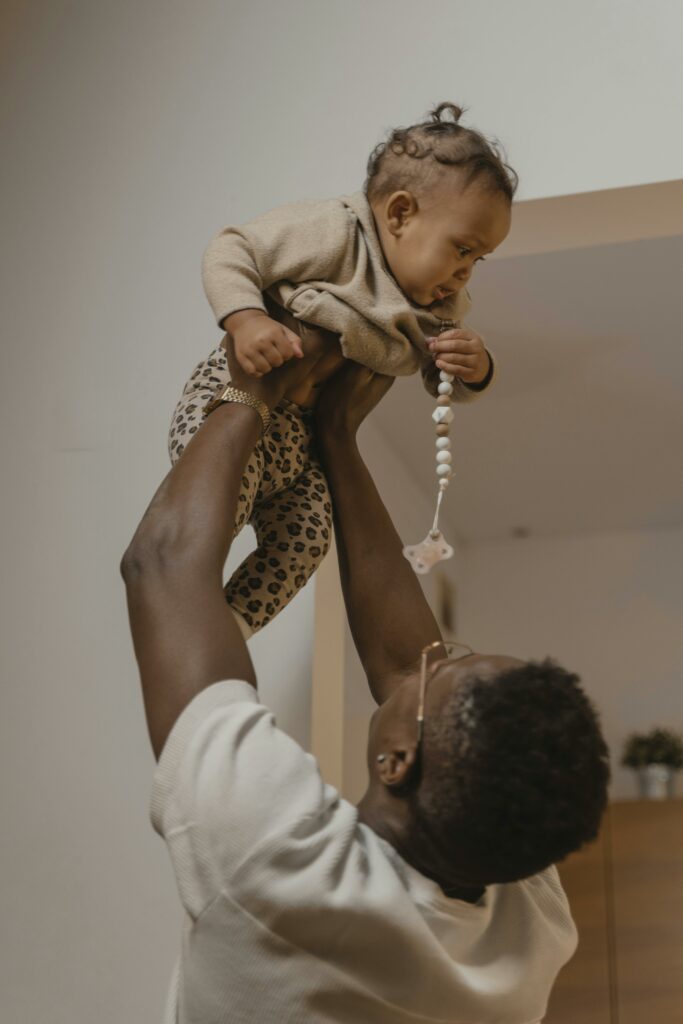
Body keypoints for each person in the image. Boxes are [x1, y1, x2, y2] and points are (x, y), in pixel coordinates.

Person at [122, 345, 610, 1024]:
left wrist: (248, 392)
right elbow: (407, 666)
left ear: (396, 760)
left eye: (436, 673)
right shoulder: (524, 915)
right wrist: (337, 439)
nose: (427, 656)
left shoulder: (279, 864)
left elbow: (163, 566)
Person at [167, 102, 515, 639]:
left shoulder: (440, 306)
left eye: (479, 259)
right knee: (217, 509)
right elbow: (234, 248)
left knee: (306, 539)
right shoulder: (334, 232)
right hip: (237, 402)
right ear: (399, 214)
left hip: (303, 446)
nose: (465, 272)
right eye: (462, 248)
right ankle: (181, 597)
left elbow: (439, 377)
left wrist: (474, 368)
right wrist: (247, 320)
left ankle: (232, 625)